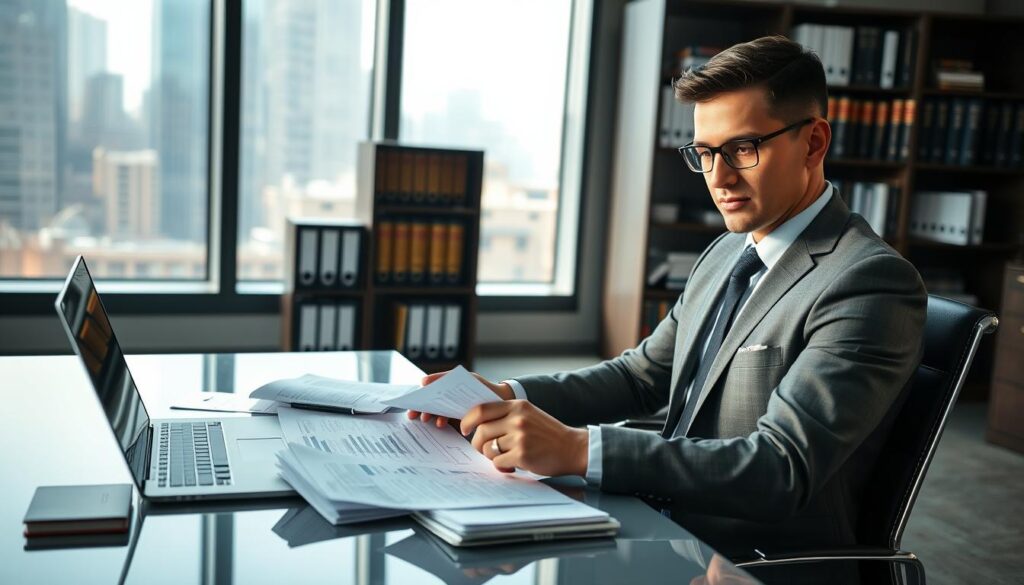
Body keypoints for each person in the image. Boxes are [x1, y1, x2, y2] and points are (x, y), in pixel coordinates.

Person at [410, 35, 927, 556]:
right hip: (661, 523)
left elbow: (780, 468)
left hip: (749, 559)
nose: (718, 178)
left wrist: (577, 448)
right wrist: (510, 396)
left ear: (814, 143)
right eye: (705, 153)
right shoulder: (726, 252)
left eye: (743, 149)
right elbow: (639, 377)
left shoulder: (868, 283)